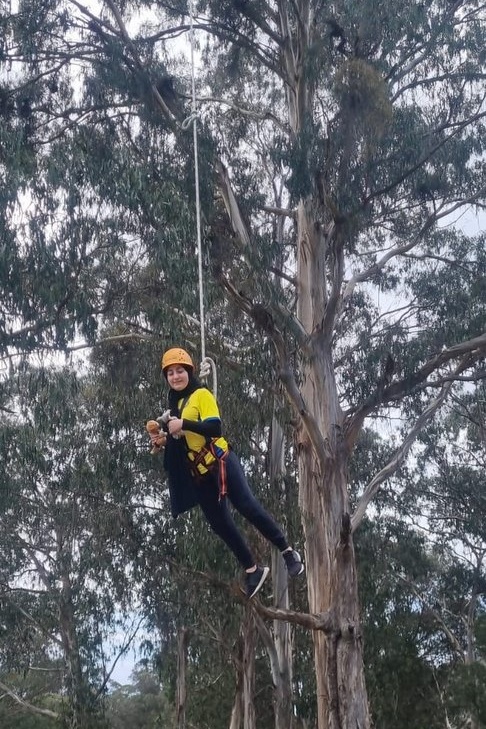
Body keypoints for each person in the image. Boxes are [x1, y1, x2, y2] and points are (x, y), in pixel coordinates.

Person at [148, 347, 305, 599]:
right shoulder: (174, 404)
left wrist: (183, 424)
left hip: (220, 462)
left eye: (180, 371)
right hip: (199, 473)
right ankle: (253, 569)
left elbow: (214, 428)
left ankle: (288, 552)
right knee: (219, 524)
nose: (175, 377)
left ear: (189, 372)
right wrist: (165, 440)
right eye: (170, 373)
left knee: (247, 506)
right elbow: (184, 439)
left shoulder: (201, 395)